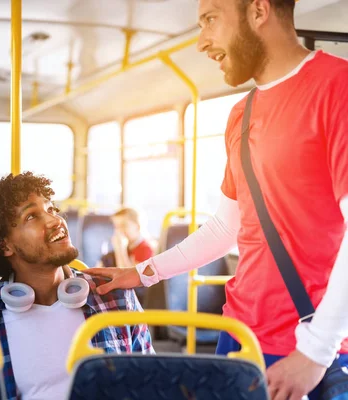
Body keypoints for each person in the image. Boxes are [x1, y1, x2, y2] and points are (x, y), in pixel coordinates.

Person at [86, 1, 348, 399]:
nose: (202, 42)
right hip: (239, 334)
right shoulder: (240, 115)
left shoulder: (337, 86)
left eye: (210, 20)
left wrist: (315, 351)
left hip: (309, 344)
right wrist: (141, 273)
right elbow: (227, 227)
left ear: (259, 11)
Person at [0, 172, 152, 400]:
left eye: (51, 209)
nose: (55, 220)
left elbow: (148, 384)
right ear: (5, 245)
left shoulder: (115, 296)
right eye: (32, 216)